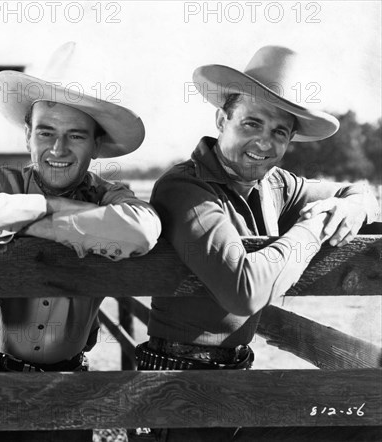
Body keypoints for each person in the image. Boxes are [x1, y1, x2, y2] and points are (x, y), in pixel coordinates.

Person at [134, 46, 380, 441]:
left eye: (279, 132)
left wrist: (355, 207)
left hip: (237, 383)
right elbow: (243, 290)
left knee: (364, 418)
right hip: (177, 395)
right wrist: (314, 228)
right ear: (222, 119)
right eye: (252, 123)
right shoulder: (186, 187)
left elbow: (358, 190)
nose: (264, 143)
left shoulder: (276, 185)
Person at [0, 42, 161, 441]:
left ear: (96, 144)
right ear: (27, 135)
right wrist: (46, 207)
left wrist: (22, 219)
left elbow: (139, 231)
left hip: (66, 386)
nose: (58, 149)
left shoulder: (109, 194)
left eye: (76, 135)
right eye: (46, 132)